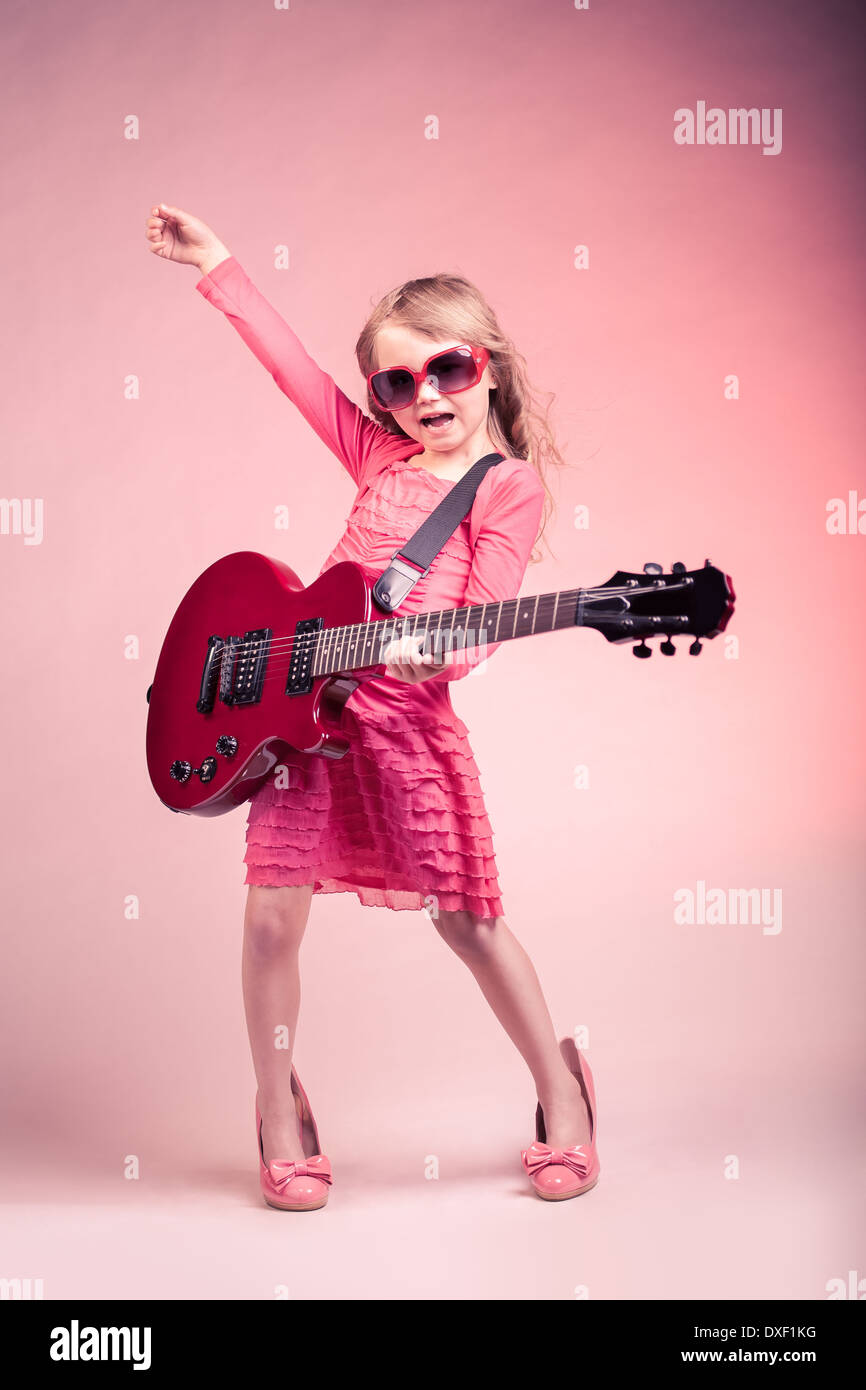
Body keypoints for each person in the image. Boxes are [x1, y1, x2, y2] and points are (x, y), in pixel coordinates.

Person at [144, 203, 600, 1209]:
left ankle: (561, 1092)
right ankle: (278, 1110)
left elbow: (480, 625)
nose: (425, 396)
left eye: (446, 369)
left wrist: (420, 652)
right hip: (302, 723)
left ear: (487, 363)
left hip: (406, 725)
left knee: (468, 922)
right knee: (269, 921)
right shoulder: (377, 456)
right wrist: (217, 264)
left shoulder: (502, 485)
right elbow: (293, 373)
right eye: (397, 382)